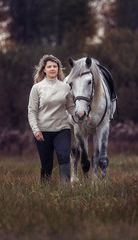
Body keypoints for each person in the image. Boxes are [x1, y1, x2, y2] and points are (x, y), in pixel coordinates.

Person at [28, 54, 88, 183]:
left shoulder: (65, 87)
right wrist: (36, 130)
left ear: (58, 69)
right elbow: (32, 111)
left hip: (62, 129)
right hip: (43, 131)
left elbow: (71, 108)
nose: (52, 69)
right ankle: (45, 190)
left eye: (55, 66)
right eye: (49, 66)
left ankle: (65, 189)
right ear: (44, 70)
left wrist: (82, 115)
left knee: (64, 158)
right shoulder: (37, 88)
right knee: (47, 164)